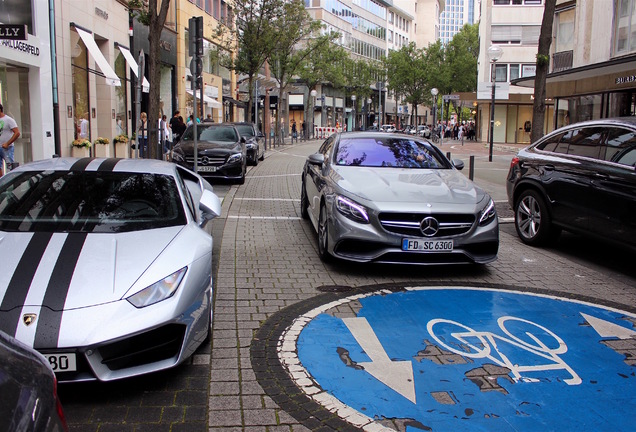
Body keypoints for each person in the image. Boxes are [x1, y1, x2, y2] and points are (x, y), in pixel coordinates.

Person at [0, 103, 20, 170]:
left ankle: (13, 180)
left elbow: (17, 133)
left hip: (7, 148)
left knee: (10, 166)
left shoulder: (8, 120)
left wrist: (7, 143)